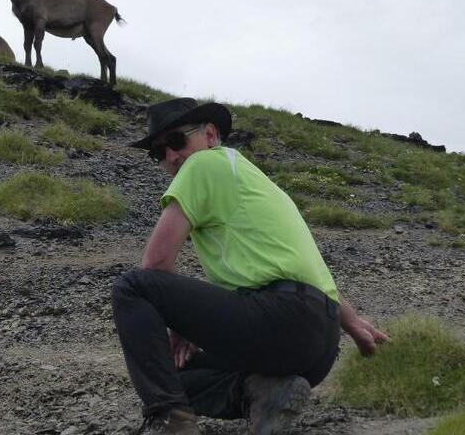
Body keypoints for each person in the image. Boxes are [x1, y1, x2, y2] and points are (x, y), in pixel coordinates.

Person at [112, 98, 389, 435]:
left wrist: (179, 324)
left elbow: (153, 266)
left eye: (177, 141)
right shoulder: (253, 179)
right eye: (159, 152)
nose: (171, 156)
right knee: (177, 375)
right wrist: (353, 323)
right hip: (319, 347)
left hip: (281, 320)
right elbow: (305, 271)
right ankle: (267, 391)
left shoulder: (202, 166)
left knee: (132, 287)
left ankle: (169, 420)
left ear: (210, 135)